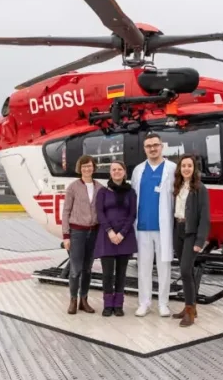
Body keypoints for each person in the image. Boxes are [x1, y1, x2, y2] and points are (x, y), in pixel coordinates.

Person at [130, 132, 176, 317]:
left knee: (164, 267)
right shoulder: (138, 170)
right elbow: (133, 197)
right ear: (144, 149)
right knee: (144, 267)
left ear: (162, 146)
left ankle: (163, 303)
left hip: (163, 228)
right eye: (149, 146)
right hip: (142, 227)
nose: (152, 149)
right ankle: (145, 302)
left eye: (155, 145)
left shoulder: (172, 168)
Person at [171, 153, 211, 327]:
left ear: (194, 169)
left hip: (191, 233)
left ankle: (189, 311)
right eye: (183, 166)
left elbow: (205, 217)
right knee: (184, 270)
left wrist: (200, 240)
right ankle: (191, 306)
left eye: (189, 166)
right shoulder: (177, 186)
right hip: (178, 230)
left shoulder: (200, 188)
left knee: (186, 270)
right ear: (180, 168)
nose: (186, 168)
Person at [61, 154, 104, 315]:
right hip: (77, 232)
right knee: (75, 269)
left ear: (94, 168)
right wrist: (66, 235)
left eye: (90, 166)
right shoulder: (73, 187)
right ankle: (73, 300)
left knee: (87, 269)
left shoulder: (100, 188)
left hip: (93, 232)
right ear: (80, 168)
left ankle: (84, 300)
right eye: (84, 166)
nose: (87, 169)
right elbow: (66, 212)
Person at [94, 160, 138, 317]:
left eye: (120, 169)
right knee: (107, 273)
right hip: (107, 236)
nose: (117, 172)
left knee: (121, 273)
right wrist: (110, 232)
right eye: (114, 169)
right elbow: (100, 213)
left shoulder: (131, 192)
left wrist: (122, 233)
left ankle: (118, 305)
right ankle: (107, 305)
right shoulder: (103, 192)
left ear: (124, 172)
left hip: (124, 236)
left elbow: (132, 214)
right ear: (110, 173)